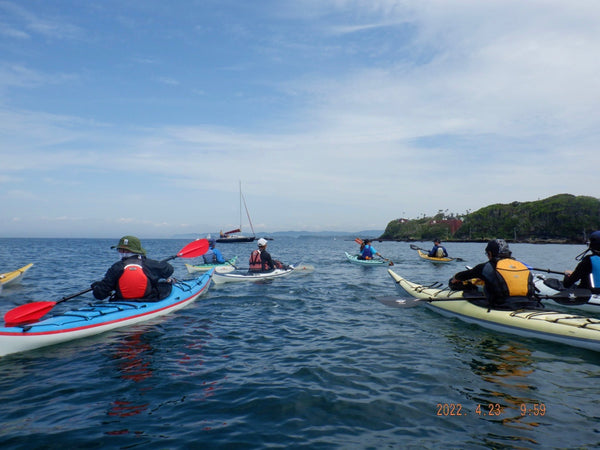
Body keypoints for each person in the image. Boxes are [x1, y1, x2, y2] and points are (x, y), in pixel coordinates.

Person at [449, 239, 536, 308]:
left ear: (490, 253)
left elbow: (464, 275)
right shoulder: (521, 266)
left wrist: (454, 279)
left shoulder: (486, 267)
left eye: (487, 254)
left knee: (469, 291)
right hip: (529, 303)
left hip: (502, 305)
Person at [91, 235, 175, 302]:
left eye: (119, 250)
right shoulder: (150, 264)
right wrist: (159, 265)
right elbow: (169, 270)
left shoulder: (116, 267)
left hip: (122, 301)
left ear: (124, 252)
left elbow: (99, 295)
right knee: (163, 282)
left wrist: (97, 286)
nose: (119, 252)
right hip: (149, 299)